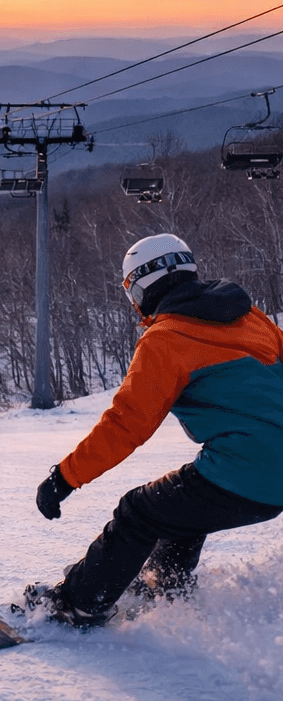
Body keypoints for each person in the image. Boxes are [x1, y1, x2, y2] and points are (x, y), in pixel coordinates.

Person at [29, 232, 283, 627]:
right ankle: (166, 585)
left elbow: (127, 424)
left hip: (249, 473)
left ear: (143, 286)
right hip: (267, 474)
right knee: (180, 501)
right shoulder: (252, 319)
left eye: (131, 291)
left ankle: (78, 603)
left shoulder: (165, 338)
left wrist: (64, 478)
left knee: (139, 511)